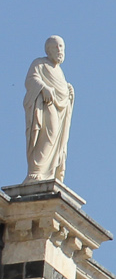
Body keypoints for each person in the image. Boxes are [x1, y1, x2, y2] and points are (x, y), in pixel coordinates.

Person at [23, 37, 73, 184]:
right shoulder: (39, 64)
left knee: (57, 137)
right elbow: (30, 80)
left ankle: (50, 172)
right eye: (56, 47)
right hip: (46, 104)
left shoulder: (60, 72)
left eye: (61, 47)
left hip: (60, 109)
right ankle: (36, 171)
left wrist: (68, 91)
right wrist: (43, 88)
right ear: (48, 50)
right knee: (48, 133)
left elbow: (61, 91)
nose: (60, 51)